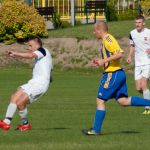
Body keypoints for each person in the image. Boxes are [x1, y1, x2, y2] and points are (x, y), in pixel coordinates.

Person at [82, 21, 150, 136]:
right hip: (118, 73)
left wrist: (103, 61)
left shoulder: (108, 39)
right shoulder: (106, 40)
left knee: (100, 100)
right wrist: (100, 61)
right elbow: (112, 56)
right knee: (123, 101)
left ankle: (95, 130)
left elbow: (119, 53)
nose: (94, 33)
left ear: (99, 30)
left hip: (112, 74)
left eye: (95, 31)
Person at [0, 37, 52, 131]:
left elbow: (30, 56)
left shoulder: (42, 50)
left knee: (20, 103)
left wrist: (15, 54)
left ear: (37, 44)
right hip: (34, 82)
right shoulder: (43, 54)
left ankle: (25, 125)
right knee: (14, 97)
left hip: (40, 84)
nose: (29, 47)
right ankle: (6, 122)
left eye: (30, 45)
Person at [127, 15, 150, 114]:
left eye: (139, 22)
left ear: (143, 23)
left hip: (147, 62)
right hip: (138, 64)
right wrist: (129, 56)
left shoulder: (148, 32)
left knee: (144, 84)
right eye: (136, 22)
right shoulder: (132, 33)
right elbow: (132, 46)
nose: (138, 24)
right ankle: (148, 98)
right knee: (138, 88)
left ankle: (148, 108)